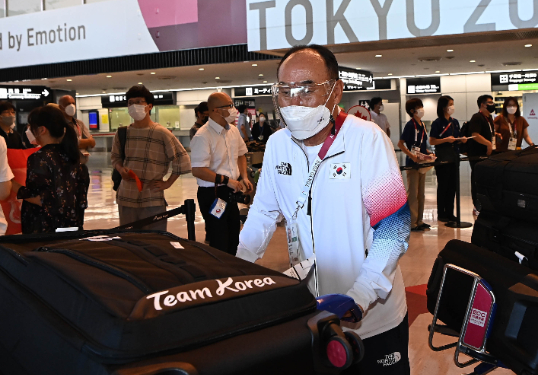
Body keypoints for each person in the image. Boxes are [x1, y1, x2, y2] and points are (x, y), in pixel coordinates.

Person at [237, 44, 411, 375]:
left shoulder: (367, 140)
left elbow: (393, 228)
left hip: (372, 318)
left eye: (306, 89)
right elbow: (261, 215)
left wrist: (360, 295)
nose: (294, 101)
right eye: (285, 91)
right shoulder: (277, 146)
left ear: (335, 91)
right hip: (313, 316)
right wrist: (239, 271)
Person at [111, 85, 191, 230]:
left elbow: (182, 160)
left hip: (152, 198)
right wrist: (121, 169)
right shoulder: (122, 133)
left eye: (139, 102)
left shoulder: (162, 133)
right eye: (130, 103)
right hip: (126, 197)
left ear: (149, 106)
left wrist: (168, 183)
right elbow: (115, 157)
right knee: (129, 241)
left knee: (155, 241)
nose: (134, 106)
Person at [191, 92, 253, 255]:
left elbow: (241, 154)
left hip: (230, 191)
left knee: (234, 236)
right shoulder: (202, 136)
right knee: (219, 240)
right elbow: (197, 170)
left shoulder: (232, 131)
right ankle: (221, 276)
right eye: (229, 106)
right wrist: (226, 180)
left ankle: (233, 274)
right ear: (216, 111)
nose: (233, 110)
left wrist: (244, 177)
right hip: (213, 193)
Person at [13, 106, 89, 234]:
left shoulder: (39, 158)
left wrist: (14, 186)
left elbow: (40, 198)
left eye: (31, 126)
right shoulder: (73, 156)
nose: (29, 130)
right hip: (72, 226)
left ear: (42, 130)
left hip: (45, 229)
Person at [429, 96, 467, 222]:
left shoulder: (455, 122)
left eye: (453, 103)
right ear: (443, 107)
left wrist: (461, 140)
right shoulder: (437, 123)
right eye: (450, 104)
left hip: (454, 155)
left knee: (453, 186)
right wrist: (446, 140)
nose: (452, 107)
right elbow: (432, 141)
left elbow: (458, 136)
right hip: (443, 156)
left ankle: (450, 212)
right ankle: (442, 213)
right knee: (443, 185)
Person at [398, 98, 432, 232]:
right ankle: (412, 222)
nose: (421, 110)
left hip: (422, 162)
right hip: (412, 163)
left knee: (421, 193)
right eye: (419, 107)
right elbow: (400, 143)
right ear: (412, 111)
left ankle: (420, 220)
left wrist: (427, 153)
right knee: (413, 193)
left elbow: (422, 144)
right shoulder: (410, 125)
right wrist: (411, 155)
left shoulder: (422, 125)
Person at [464, 95, 498, 216]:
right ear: (483, 104)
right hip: (477, 154)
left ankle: (485, 204)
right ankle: (477, 205)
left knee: (485, 179)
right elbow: (475, 134)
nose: (492, 104)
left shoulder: (489, 118)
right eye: (489, 102)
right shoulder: (477, 117)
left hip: (487, 154)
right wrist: (488, 144)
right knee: (477, 179)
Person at [58, 95, 95, 164]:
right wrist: (86, 142)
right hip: (66, 166)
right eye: (68, 104)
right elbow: (66, 144)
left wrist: (78, 143)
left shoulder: (79, 123)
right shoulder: (59, 124)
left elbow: (92, 143)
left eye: (73, 103)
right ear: (61, 107)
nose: (71, 106)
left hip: (82, 165)